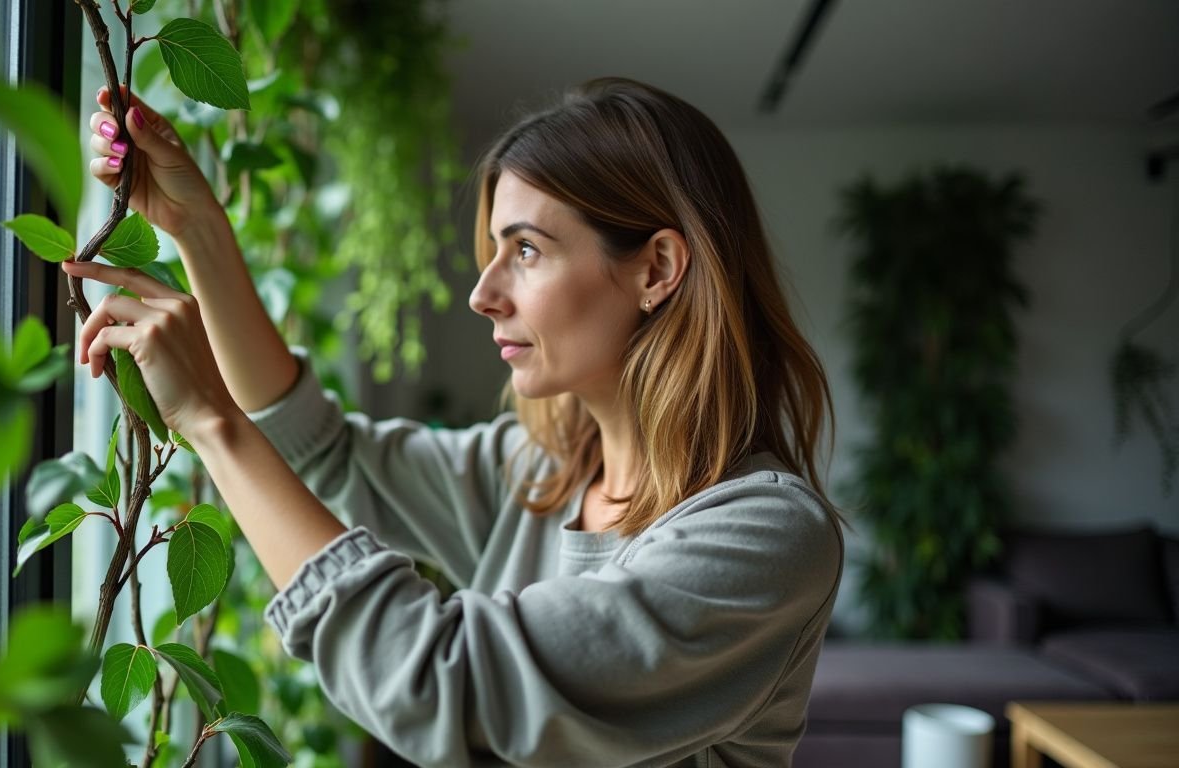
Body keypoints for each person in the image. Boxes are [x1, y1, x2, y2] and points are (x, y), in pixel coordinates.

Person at [65, 77, 844, 768]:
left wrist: (209, 418)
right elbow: (327, 455)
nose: (482, 293)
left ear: (657, 269)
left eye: (528, 250)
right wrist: (197, 226)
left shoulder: (764, 535)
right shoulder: (538, 472)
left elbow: (452, 687)